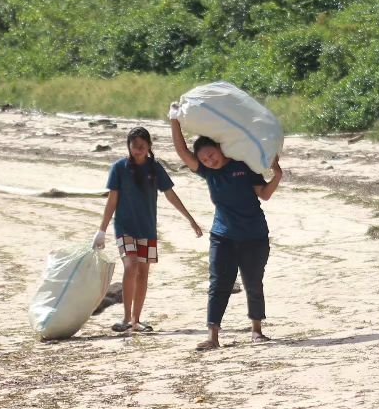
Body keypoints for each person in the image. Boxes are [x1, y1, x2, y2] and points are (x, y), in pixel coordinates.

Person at [170, 114, 283, 351]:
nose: (208, 160)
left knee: (253, 282)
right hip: (222, 236)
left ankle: (256, 331)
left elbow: (264, 193)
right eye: (203, 158)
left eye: (211, 154)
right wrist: (175, 121)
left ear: (221, 149)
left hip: (254, 235)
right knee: (219, 283)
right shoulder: (208, 173)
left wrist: (277, 176)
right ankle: (213, 336)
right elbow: (182, 152)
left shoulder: (243, 165)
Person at [95, 127, 203, 333]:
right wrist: (102, 230)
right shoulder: (119, 168)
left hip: (147, 229)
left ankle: (136, 320)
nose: (138, 151)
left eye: (142, 147)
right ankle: (126, 318)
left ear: (149, 147)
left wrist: (190, 219)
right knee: (131, 265)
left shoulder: (155, 169)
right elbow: (112, 201)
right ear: (128, 146)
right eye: (134, 147)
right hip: (125, 228)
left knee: (143, 273)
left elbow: (170, 194)